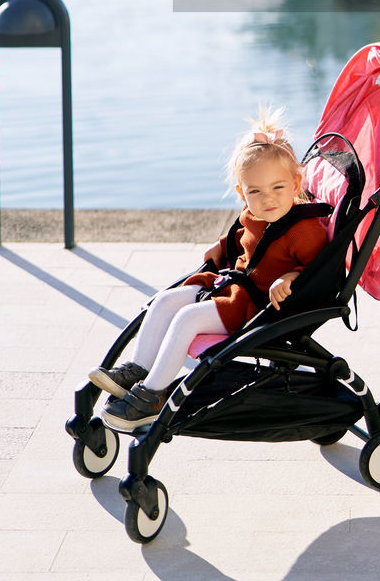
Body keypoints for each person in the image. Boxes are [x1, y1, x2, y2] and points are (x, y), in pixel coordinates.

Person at [89, 109, 329, 432]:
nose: (267, 199)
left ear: (296, 183)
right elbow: (244, 239)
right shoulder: (254, 214)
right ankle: (138, 369)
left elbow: (315, 271)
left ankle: (153, 397)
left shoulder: (304, 229)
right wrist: (221, 249)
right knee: (165, 301)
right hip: (232, 286)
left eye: (277, 188)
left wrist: (289, 279)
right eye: (255, 192)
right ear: (243, 194)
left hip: (256, 306)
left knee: (187, 319)